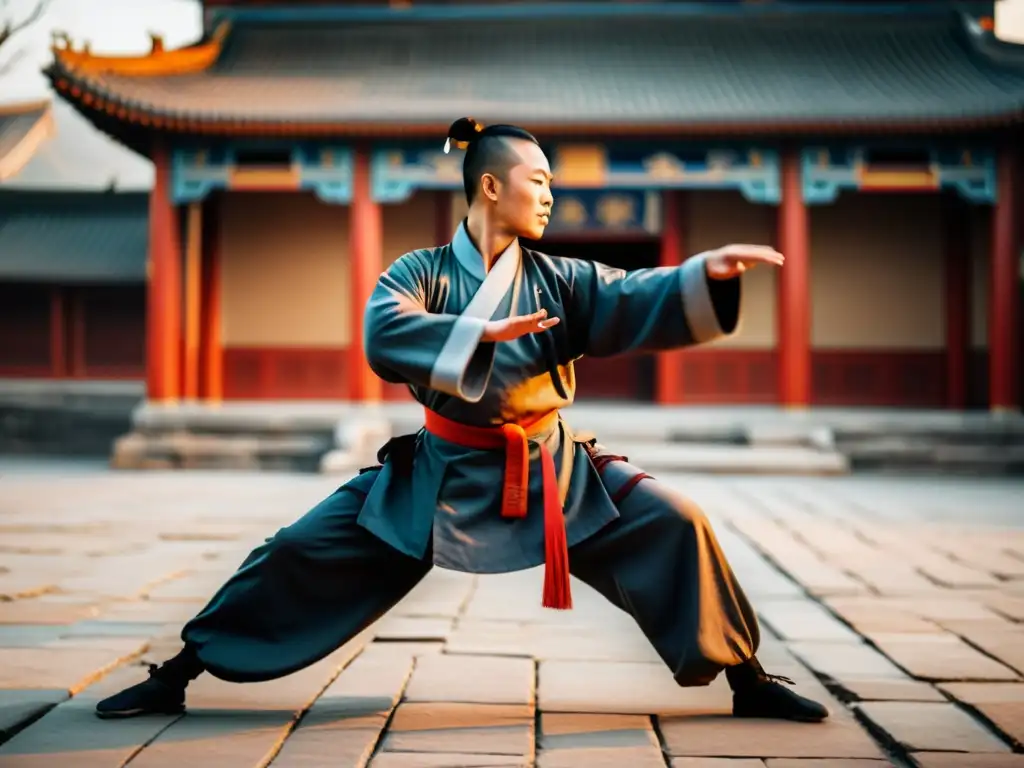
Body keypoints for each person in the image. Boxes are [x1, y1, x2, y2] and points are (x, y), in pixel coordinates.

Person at [94, 118, 828, 724]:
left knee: (676, 521)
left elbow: (630, 294)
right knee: (295, 551)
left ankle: (749, 680)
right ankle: (180, 670)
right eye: (537, 179)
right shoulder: (419, 273)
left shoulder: (561, 279)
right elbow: (384, 331)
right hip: (437, 476)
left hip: (554, 472)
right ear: (490, 185)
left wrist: (705, 274)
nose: (549, 194)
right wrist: (473, 336)